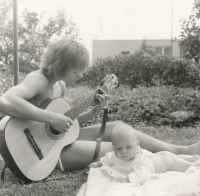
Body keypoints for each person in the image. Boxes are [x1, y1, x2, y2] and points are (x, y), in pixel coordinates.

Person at [0, 37, 200, 171]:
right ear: (62, 66)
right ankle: (175, 162)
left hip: (56, 142)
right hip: (40, 154)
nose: (79, 76)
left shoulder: (60, 85)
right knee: (120, 149)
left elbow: (66, 124)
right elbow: (6, 101)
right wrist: (52, 117)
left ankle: (180, 150)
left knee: (118, 129)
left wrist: (93, 111)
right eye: (76, 71)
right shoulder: (39, 79)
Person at [90, 123, 200, 184]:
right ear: (113, 148)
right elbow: (108, 158)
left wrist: (128, 179)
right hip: (159, 156)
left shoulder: (139, 162)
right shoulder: (115, 155)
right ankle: (192, 157)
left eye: (128, 147)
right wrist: (98, 164)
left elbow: (143, 176)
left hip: (166, 162)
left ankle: (194, 161)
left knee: (188, 167)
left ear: (137, 145)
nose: (124, 151)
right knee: (177, 157)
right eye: (119, 149)